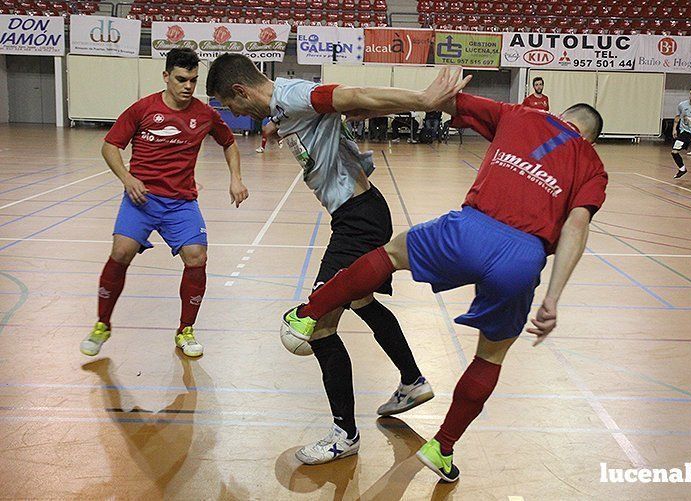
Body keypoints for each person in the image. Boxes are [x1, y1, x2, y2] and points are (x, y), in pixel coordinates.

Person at [282, 69, 608, 482]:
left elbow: (442, 100)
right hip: (523, 259)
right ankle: (442, 446)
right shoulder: (593, 165)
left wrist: (381, 103)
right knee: (490, 356)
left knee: (391, 253)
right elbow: (577, 228)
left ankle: (307, 314)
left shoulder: (519, 114)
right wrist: (552, 298)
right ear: (591, 139)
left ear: (560, 114)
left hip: (470, 230)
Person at [205, 53, 434, 465]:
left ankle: (345, 434)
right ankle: (412, 380)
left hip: (357, 221)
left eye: (230, 105)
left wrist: (423, 99)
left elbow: (355, 95)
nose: (234, 113)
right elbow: (354, 108)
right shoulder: (284, 107)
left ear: (239, 92)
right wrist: (279, 127)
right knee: (362, 301)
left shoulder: (295, 95)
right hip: (360, 212)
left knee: (317, 327)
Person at [79, 49, 249, 358]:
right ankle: (102, 324)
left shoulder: (205, 114)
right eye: (181, 79)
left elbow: (229, 143)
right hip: (141, 198)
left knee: (197, 257)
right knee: (121, 251)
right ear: (166, 76)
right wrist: (127, 178)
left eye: (193, 80)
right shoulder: (143, 109)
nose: (187, 86)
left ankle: (185, 330)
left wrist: (235, 178)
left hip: (181, 202)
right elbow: (110, 147)